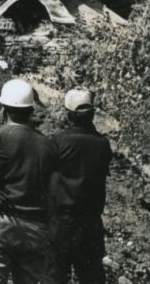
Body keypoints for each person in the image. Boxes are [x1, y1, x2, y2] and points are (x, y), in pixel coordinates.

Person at [0, 78, 59, 284]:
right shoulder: (48, 146)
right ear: (31, 111)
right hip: (34, 228)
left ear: (3, 109)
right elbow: (53, 191)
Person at [50, 88, 112, 283]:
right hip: (91, 224)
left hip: (62, 224)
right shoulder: (102, 144)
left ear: (68, 114)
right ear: (92, 114)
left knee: (56, 277)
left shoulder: (57, 142)